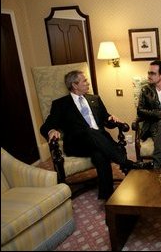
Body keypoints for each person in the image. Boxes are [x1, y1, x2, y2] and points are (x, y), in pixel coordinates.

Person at [40, 70, 135, 200]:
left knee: (100, 154)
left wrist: (112, 119)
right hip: (77, 144)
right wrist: (51, 130)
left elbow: (106, 119)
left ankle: (107, 196)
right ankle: (125, 162)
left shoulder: (94, 99)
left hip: (99, 141)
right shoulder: (61, 104)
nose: (88, 83)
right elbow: (46, 126)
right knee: (89, 131)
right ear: (74, 85)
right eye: (84, 81)